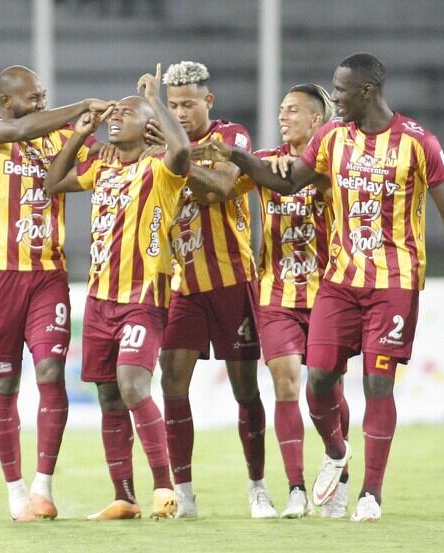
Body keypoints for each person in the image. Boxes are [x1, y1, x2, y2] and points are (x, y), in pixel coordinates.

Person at [193, 52, 444, 522]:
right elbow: (286, 184)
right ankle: (336, 449)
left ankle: (371, 493)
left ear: (367, 91)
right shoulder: (332, 138)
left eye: (342, 90)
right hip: (340, 281)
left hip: (395, 281)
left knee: (377, 383)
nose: (336, 99)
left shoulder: (418, 142)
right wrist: (238, 157)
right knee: (320, 378)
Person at [0, 65, 113, 521]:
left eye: (44, 95)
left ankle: (44, 488)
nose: (40, 102)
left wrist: (133, 124)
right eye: (32, 97)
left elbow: (110, 152)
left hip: (47, 273)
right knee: (4, 381)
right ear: (7, 102)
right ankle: (15, 491)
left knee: (50, 370)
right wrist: (82, 108)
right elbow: (24, 127)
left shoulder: (59, 136)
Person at [43, 65, 191, 520]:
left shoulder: (161, 169)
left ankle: (166, 490)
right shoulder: (102, 168)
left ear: (147, 125)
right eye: (115, 113)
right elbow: (53, 182)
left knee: (132, 385)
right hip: (101, 299)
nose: (115, 117)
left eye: (126, 113)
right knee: (109, 395)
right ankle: (123, 496)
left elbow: (182, 147)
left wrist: (157, 99)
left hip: (142, 298)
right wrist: (78, 133)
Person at [206, 83, 350, 518]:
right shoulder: (265, 162)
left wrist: (307, 170)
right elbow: (224, 188)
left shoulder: (337, 163)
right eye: (281, 110)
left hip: (329, 290)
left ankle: (338, 467)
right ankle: (295, 489)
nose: (283, 117)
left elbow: (330, 188)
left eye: (292, 111)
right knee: (285, 383)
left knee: (326, 388)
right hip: (275, 291)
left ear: (317, 120)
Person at [158, 60, 276, 519]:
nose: (181, 113)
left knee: (245, 389)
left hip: (230, 279)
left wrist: (175, 160)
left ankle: (258, 487)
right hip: (182, 284)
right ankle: (183, 493)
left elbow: (224, 188)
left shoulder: (232, 136)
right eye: (172, 106)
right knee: (172, 383)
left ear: (208, 102)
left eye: (188, 104)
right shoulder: (163, 144)